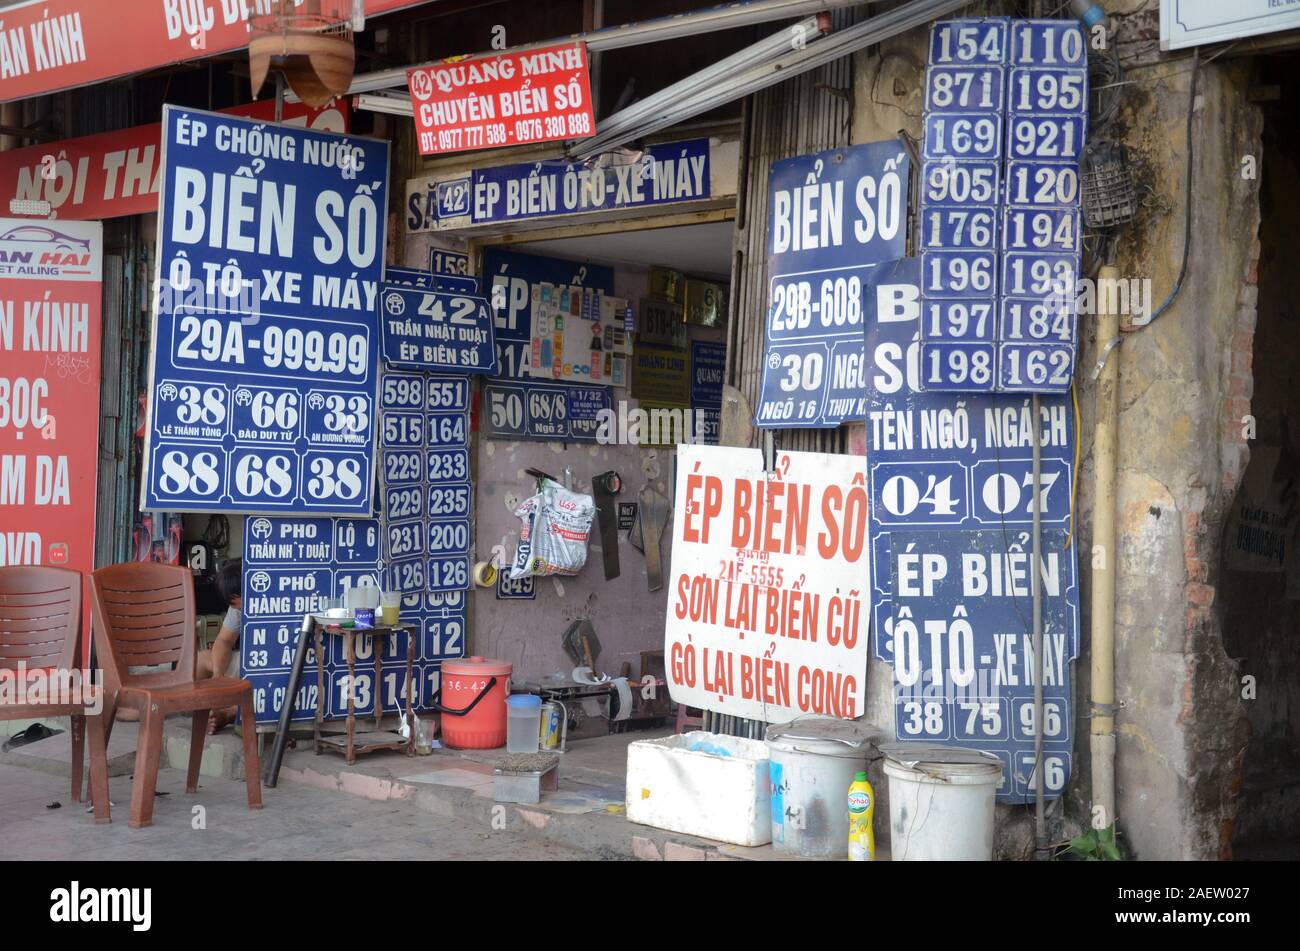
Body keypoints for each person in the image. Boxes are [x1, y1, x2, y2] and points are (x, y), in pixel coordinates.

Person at [196, 558, 242, 733]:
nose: (239, 609)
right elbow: (224, 641)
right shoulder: (236, 607)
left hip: (267, 672)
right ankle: (176, 706)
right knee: (200, 661)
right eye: (235, 606)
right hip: (243, 664)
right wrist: (217, 676)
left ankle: (230, 713)